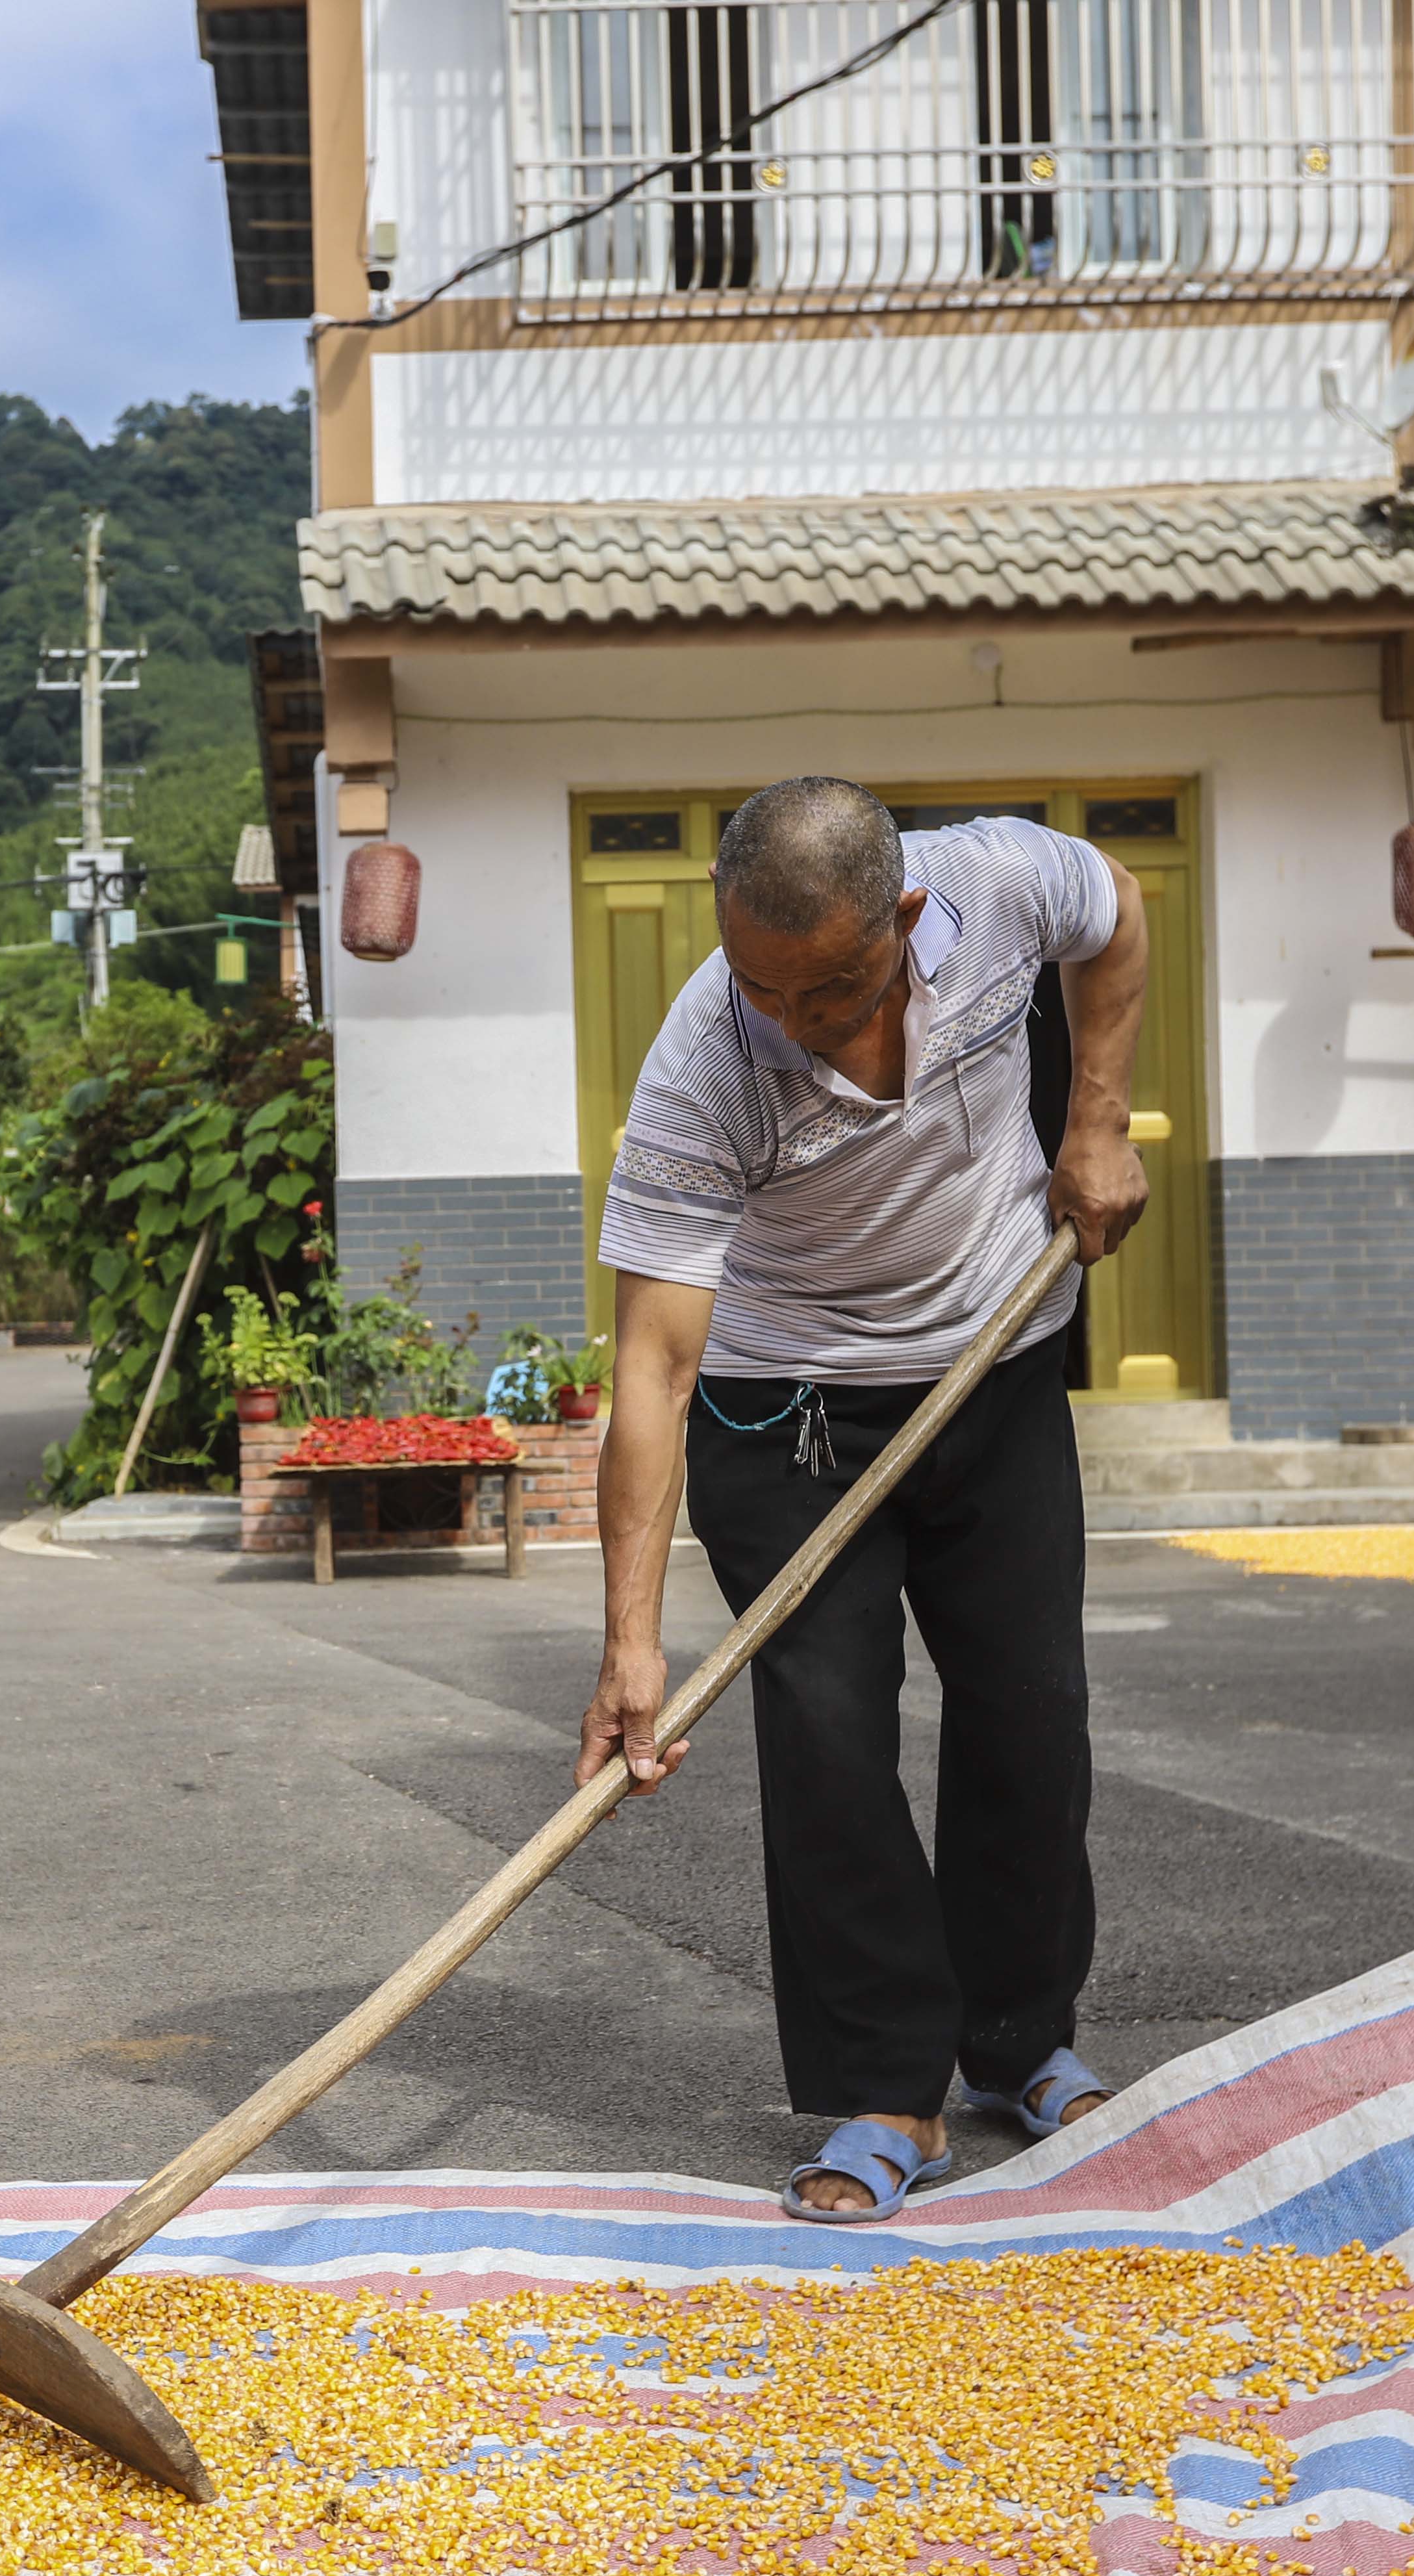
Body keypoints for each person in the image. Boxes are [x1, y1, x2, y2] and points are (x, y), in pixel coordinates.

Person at [575, 778, 1150, 2223]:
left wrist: (1096, 1121)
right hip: (790, 1412)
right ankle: (890, 2088)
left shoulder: (1001, 880)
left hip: (995, 1361)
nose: (792, 1021)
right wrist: (631, 1643)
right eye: (761, 986)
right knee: (829, 1740)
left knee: (1031, 1712)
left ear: (904, 914)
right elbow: (653, 1363)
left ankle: (1021, 2042)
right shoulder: (707, 1064)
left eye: (826, 988)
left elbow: (1120, 913)